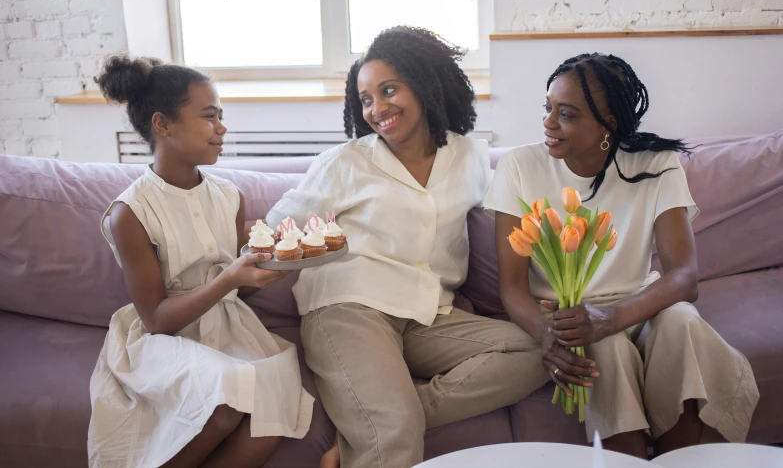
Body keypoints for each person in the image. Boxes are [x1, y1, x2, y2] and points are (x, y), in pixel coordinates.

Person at [266, 26, 549, 468]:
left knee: (537, 350)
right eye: (365, 99)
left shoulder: (471, 158)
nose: (377, 109)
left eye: (389, 90)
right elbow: (278, 228)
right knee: (393, 441)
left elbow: (515, 220)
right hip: (349, 308)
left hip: (428, 313)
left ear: (425, 83)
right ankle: (382, 424)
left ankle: (381, 418)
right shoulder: (345, 162)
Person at [485, 53, 759, 458]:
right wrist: (548, 336)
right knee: (605, 348)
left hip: (637, 304)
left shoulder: (657, 164)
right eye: (548, 109)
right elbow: (511, 287)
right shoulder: (520, 166)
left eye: (567, 114)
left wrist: (611, 318)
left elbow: (684, 277)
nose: (548, 122)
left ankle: (677, 459)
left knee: (683, 322)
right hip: (568, 315)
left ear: (608, 124)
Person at [88, 55, 313, 468]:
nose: (222, 128)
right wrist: (229, 280)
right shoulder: (131, 213)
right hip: (167, 339)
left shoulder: (229, 195)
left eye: (221, 116)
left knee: (270, 416)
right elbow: (156, 318)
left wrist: (274, 267)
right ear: (163, 124)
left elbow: (238, 287)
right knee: (224, 403)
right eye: (209, 117)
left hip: (229, 329)